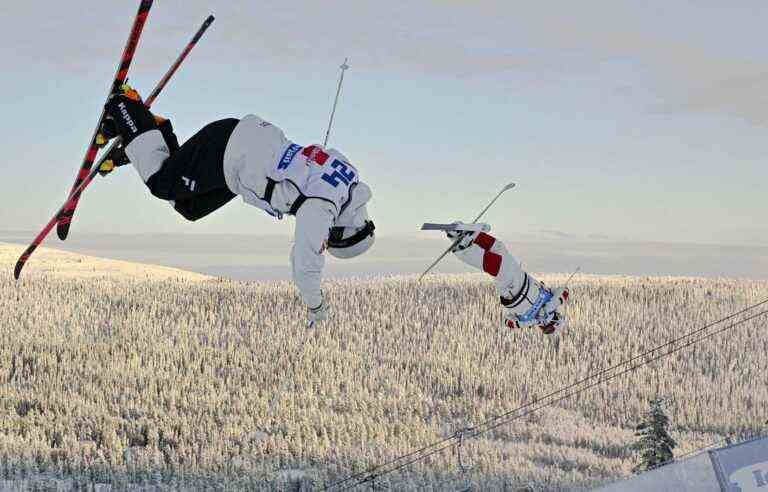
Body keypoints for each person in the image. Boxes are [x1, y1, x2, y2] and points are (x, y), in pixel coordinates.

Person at [98, 85, 375, 326]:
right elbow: (305, 264)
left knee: (190, 208)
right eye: (331, 240)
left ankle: (142, 133)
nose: (326, 239)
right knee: (161, 183)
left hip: (240, 161)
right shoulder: (322, 207)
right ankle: (125, 106)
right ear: (342, 232)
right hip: (229, 152)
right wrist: (317, 309)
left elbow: (317, 157)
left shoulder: (349, 178)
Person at [445, 223, 569, 334]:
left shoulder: (529, 320)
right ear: (555, 320)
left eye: (545, 330)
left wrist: (527, 323)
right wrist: (550, 306)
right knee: (499, 249)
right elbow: (564, 291)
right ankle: (473, 236)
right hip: (521, 277)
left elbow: (508, 322)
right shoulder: (551, 300)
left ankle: (465, 250)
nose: (544, 327)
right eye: (548, 328)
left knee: (497, 266)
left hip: (513, 292)